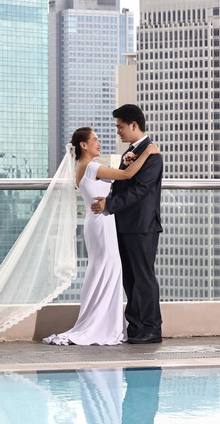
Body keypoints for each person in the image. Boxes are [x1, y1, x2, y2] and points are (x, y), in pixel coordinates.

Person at [44, 127, 159, 345]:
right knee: (109, 269)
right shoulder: (93, 166)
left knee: (101, 270)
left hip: (95, 222)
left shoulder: (83, 167)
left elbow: (114, 179)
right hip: (103, 222)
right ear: (83, 146)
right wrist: (148, 152)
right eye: (95, 140)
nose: (99, 143)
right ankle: (102, 325)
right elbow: (126, 175)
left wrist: (126, 159)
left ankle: (97, 321)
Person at [91, 104, 163, 344]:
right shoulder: (133, 152)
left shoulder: (152, 154)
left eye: (120, 127)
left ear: (134, 125)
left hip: (142, 225)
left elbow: (141, 190)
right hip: (125, 223)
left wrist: (109, 204)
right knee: (130, 278)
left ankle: (152, 328)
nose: (118, 132)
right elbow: (123, 182)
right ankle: (135, 326)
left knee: (144, 277)